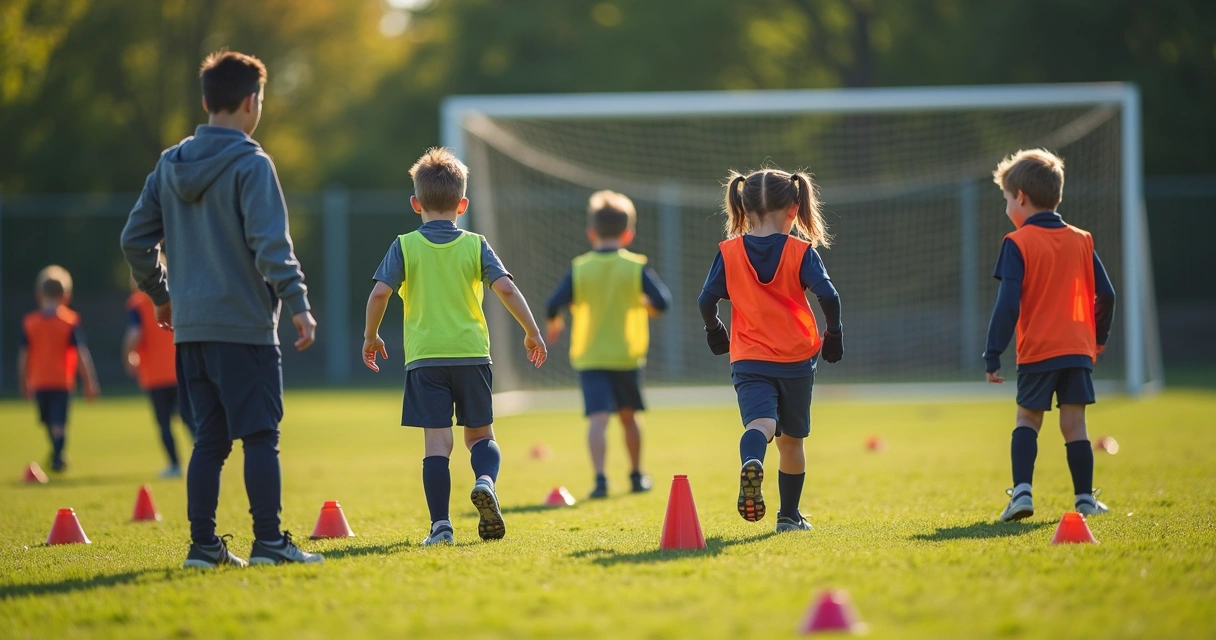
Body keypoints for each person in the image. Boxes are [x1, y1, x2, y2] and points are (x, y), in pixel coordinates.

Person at [121, 50, 322, 569]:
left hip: (190, 331)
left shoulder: (169, 165)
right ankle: (270, 542)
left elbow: (134, 240)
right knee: (260, 436)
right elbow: (269, 244)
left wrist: (161, 294)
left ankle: (204, 546)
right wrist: (298, 302)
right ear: (252, 102)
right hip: (245, 327)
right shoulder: (252, 164)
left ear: (207, 101)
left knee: (209, 440)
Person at [362, 147, 548, 546]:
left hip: (425, 359)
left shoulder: (404, 246)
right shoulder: (476, 245)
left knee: (437, 443)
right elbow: (507, 288)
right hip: (472, 355)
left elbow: (379, 293)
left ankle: (441, 527)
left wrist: (371, 336)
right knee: (481, 437)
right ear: (463, 204)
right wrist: (531, 330)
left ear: (416, 204)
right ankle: (485, 481)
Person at [698, 169, 843, 533]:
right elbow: (829, 296)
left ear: (743, 209)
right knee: (791, 441)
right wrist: (834, 333)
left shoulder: (729, 252)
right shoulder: (801, 252)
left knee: (761, 424)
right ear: (794, 208)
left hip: (748, 358)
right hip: (795, 359)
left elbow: (706, 300)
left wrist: (715, 329)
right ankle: (789, 517)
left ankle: (752, 461)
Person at [983, 149, 1116, 522]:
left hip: (1038, 350)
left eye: (1007, 198)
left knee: (1028, 420)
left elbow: (1007, 304)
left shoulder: (1018, 242)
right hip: (1077, 350)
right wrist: (1097, 338)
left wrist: (992, 354)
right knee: (1075, 425)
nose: (1007, 206)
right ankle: (1085, 499)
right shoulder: (1082, 239)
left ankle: (1022, 493)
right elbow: (1106, 295)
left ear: (1020, 197)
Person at [544, 190, 671, 498]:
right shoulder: (635, 266)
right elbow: (662, 301)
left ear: (591, 233)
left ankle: (600, 480)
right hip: (626, 356)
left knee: (598, 419)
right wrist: (646, 305)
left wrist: (555, 323)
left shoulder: (580, 268)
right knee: (630, 418)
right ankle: (637, 475)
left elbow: (552, 304)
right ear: (628, 233)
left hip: (591, 357)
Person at [18, 265, 101, 472]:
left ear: (39, 295)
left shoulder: (31, 322)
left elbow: (23, 357)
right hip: (62, 381)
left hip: (40, 381)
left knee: (51, 421)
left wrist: (23, 381)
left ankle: (57, 455)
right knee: (56, 422)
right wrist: (89, 382)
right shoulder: (69, 321)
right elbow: (81, 354)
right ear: (66, 296)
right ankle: (58, 453)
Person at [124, 270, 196, 479]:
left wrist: (128, 355)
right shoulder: (177, 297)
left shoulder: (137, 303)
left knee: (164, 423)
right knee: (189, 418)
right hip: (180, 369)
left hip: (154, 375)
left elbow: (134, 334)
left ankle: (174, 465)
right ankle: (206, 457)